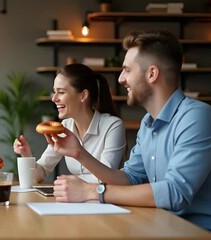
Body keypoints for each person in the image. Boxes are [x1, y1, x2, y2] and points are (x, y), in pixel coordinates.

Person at [46, 30, 211, 231]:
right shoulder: (147, 124)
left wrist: (92, 191)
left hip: (195, 231)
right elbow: (129, 179)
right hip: (160, 226)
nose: (121, 79)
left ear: (152, 73)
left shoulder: (196, 117)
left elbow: (175, 192)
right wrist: (78, 153)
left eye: (127, 70)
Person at [14, 63, 126, 183]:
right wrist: (26, 155)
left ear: (83, 95)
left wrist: (73, 182)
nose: (54, 98)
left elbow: (107, 177)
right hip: (75, 199)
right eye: (54, 92)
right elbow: (39, 175)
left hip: (105, 199)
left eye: (61, 92)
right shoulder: (65, 127)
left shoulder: (113, 126)